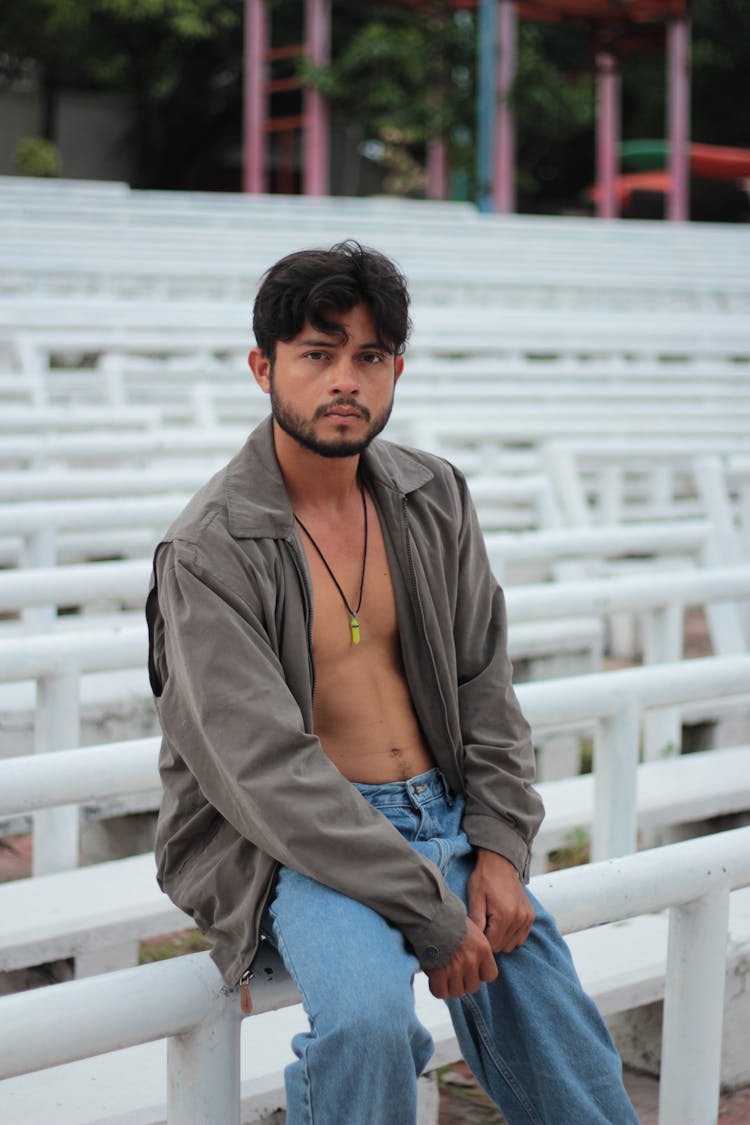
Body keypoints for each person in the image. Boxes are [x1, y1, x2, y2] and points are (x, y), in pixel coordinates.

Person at [146, 240, 638, 1125]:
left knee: (568, 1051)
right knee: (368, 1027)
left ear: (396, 368)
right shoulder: (211, 547)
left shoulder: (431, 493)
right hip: (306, 845)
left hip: (448, 814)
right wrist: (431, 909)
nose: (347, 379)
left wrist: (498, 847)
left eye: (370, 357)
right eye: (317, 354)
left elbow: (486, 686)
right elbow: (265, 772)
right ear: (264, 368)